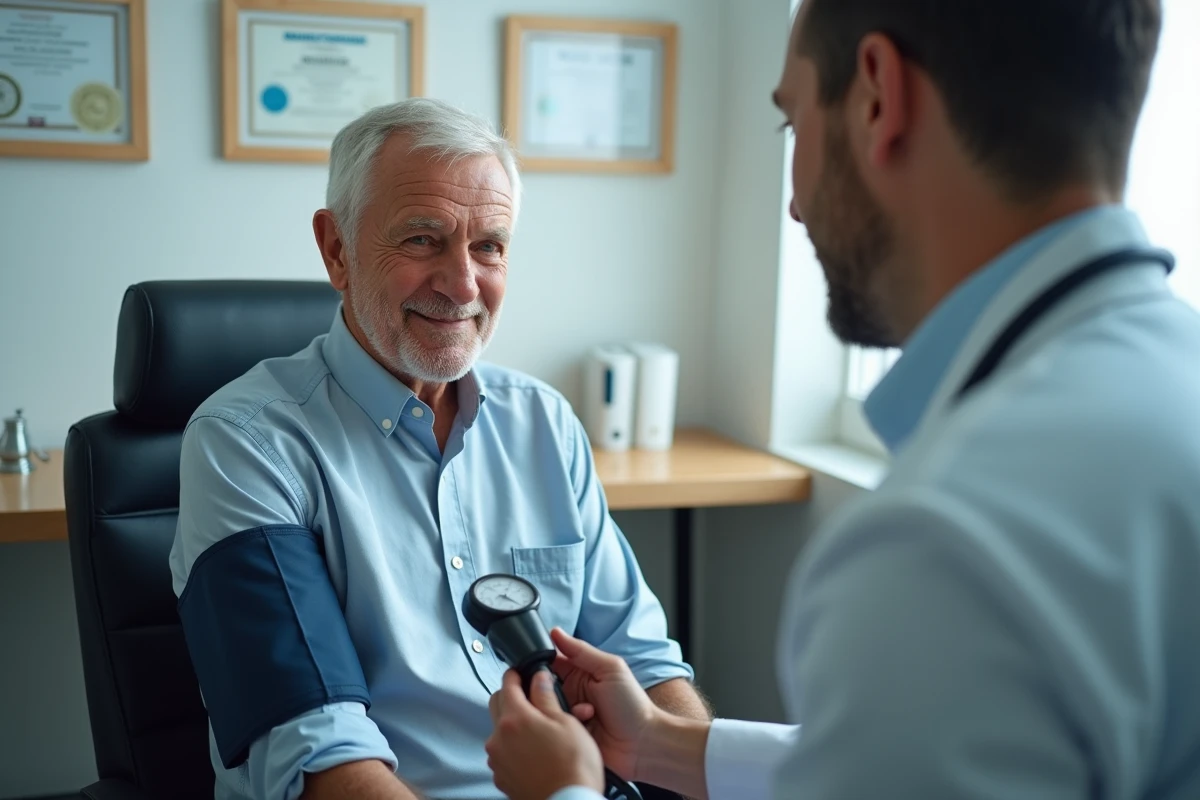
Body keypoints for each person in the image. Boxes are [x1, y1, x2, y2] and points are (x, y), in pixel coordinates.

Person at [486, 0, 1200, 798]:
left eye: (793, 126)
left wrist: (566, 794)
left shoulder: (946, 541)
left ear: (876, 98)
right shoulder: (1173, 382)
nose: (794, 204)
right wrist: (659, 746)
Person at [168, 98, 709, 800]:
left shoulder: (544, 422)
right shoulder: (247, 445)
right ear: (337, 250)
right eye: (422, 240)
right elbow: (321, 757)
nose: (463, 284)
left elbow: (644, 665)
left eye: (489, 245)